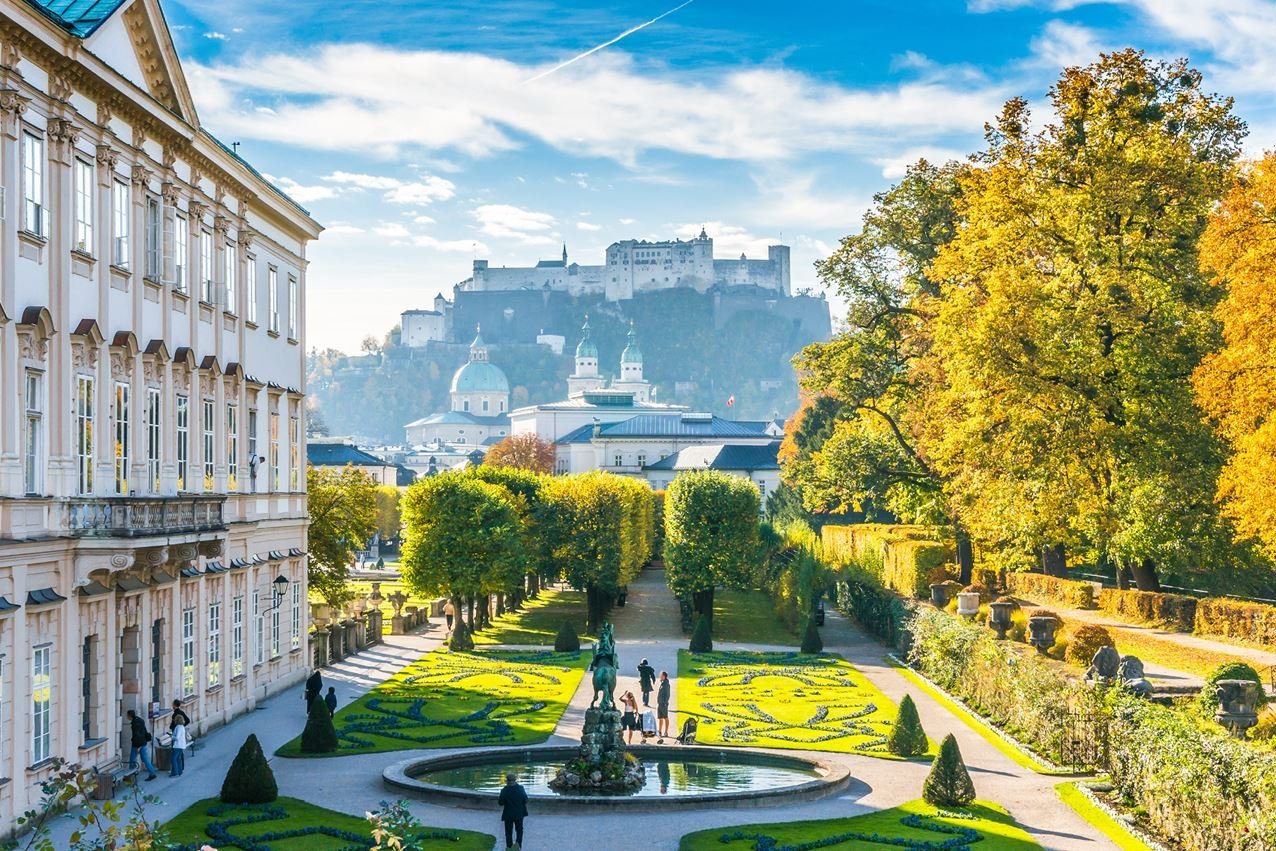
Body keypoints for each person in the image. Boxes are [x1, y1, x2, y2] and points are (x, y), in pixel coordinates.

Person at [497, 772, 528, 850]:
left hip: (508, 814)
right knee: (519, 830)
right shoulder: (521, 788)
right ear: (515, 780)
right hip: (519, 813)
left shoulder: (504, 790)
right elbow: (526, 800)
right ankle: (518, 846)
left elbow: (500, 803)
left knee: (508, 832)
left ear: (507, 781)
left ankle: (509, 847)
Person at [126, 710, 158, 781]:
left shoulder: (135, 724)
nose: (127, 717)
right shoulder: (140, 720)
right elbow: (144, 732)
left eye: (127, 716)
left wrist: (138, 747)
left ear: (130, 716)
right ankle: (152, 773)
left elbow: (137, 736)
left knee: (132, 760)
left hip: (137, 744)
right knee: (145, 759)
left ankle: (131, 775)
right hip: (143, 742)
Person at [656, 671, 671, 741]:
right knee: (660, 718)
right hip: (660, 703)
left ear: (664, 676)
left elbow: (667, 694)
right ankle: (659, 731)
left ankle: (666, 732)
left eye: (661, 676)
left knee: (665, 717)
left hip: (663, 704)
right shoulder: (662, 683)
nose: (660, 677)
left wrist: (665, 702)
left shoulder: (666, 684)